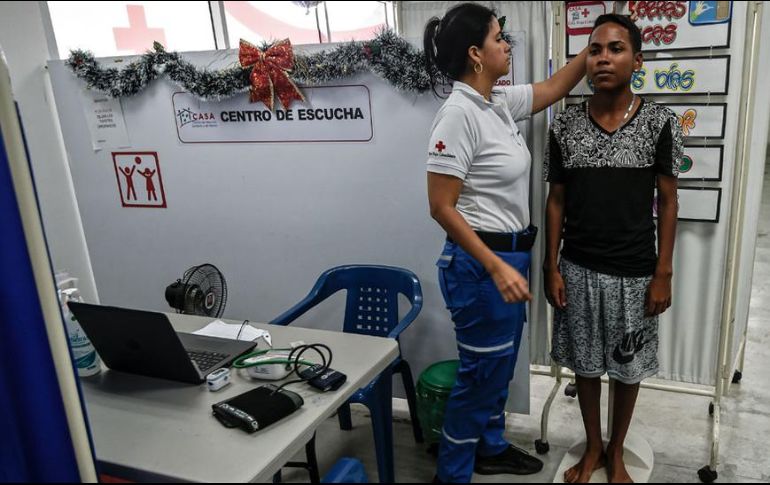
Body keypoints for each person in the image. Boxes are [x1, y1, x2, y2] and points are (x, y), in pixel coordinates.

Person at [424, 3, 590, 482]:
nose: (508, 45)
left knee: (498, 369)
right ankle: (452, 472)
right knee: (479, 378)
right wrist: (495, 266)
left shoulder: (495, 102)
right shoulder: (458, 115)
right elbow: (441, 207)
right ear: (476, 54)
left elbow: (555, 87)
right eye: (500, 38)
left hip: (509, 256)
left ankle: (490, 447)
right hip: (481, 266)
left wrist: (593, 43)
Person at [543, 13, 682, 483]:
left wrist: (663, 271)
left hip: (635, 272)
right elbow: (556, 200)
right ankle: (593, 447)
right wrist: (551, 266)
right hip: (578, 268)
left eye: (616, 48)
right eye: (595, 49)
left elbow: (668, 200)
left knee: (627, 368)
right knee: (585, 366)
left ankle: (617, 451)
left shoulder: (659, 123)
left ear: (636, 59)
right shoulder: (565, 125)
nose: (603, 57)